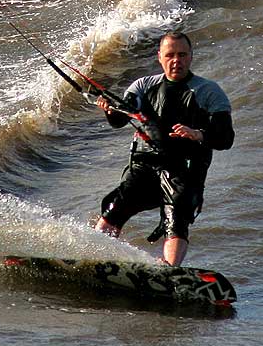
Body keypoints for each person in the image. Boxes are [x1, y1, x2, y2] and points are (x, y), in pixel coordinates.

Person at [93, 32, 234, 266]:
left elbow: (226, 138)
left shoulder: (209, 92)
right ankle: (95, 257)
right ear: (160, 57)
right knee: (114, 208)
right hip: (146, 164)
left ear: (190, 57)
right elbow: (121, 117)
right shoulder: (143, 86)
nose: (176, 60)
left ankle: (169, 270)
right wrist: (111, 110)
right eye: (170, 55)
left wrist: (198, 134)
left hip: (185, 168)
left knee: (176, 218)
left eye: (182, 55)